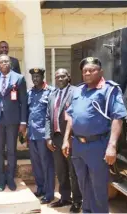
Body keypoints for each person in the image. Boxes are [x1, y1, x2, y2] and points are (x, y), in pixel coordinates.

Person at [63, 57, 127, 213]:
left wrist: (111, 146)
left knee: (98, 187)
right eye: (84, 71)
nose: (87, 73)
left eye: (91, 70)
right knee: (83, 185)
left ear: (100, 72)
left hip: (97, 146)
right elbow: (71, 116)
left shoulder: (109, 89)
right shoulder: (78, 90)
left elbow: (118, 117)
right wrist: (66, 140)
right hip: (78, 145)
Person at [45, 68, 82, 212]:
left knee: (73, 171)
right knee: (60, 171)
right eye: (57, 77)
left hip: (71, 139)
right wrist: (48, 137)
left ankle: (77, 200)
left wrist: (70, 137)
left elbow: (75, 116)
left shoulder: (75, 92)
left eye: (62, 76)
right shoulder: (52, 95)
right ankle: (64, 197)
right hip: (56, 138)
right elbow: (48, 117)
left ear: (68, 77)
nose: (60, 79)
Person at [0, 54, 27, 191]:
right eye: (1, 62)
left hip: (13, 120)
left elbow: (23, 102)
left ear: (10, 63)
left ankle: (10, 178)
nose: (4, 64)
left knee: (11, 151)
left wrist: (23, 122)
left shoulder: (19, 78)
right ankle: (1, 179)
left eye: (6, 61)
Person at [27, 68, 55, 204]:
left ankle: (49, 193)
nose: (35, 79)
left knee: (47, 164)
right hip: (32, 134)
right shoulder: (30, 92)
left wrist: (50, 136)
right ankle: (40, 188)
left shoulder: (50, 92)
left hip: (44, 135)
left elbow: (52, 114)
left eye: (38, 76)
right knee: (36, 164)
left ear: (43, 77)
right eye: (33, 77)